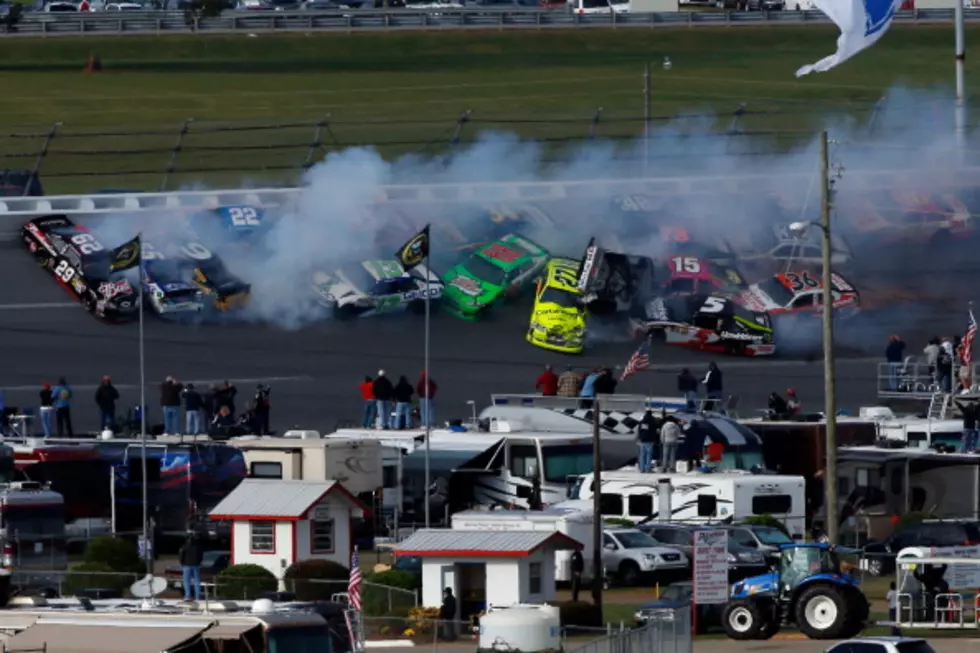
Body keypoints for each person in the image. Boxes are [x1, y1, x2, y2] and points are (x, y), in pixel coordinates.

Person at [178, 531, 204, 601]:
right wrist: (198, 562)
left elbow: (181, 556)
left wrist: (182, 563)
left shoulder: (184, 546)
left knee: (186, 581)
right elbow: (201, 556)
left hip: (186, 565)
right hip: (196, 565)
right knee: (196, 581)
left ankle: (188, 596)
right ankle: (197, 596)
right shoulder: (198, 546)